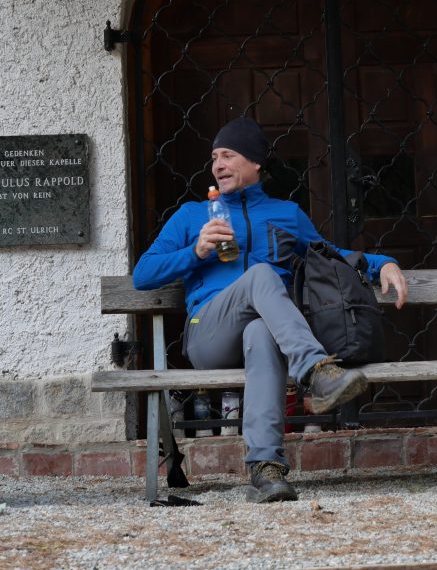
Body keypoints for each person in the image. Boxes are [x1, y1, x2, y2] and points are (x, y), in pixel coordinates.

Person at [133, 117, 408, 503]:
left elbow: (330, 255)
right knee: (263, 275)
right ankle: (316, 371)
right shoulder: (193, 216)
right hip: (208, 333)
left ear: (256, 162)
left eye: (229, 155)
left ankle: (266, 469)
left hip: (262, 339)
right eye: (214, 157)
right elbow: (142, 275)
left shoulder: (286, 214)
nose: (218, 165)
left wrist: (383, 263)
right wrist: (194, 252)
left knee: (262, 332)